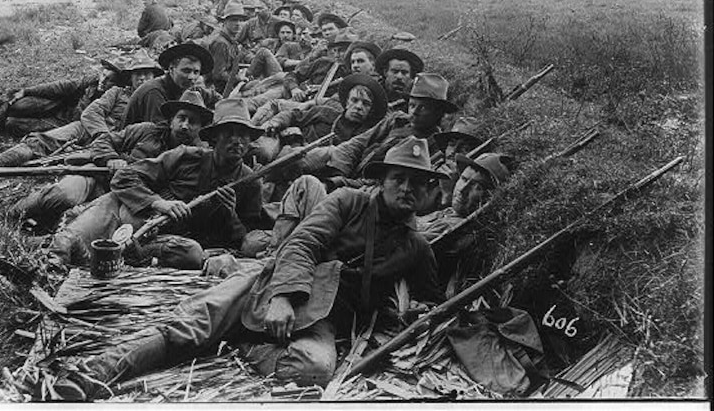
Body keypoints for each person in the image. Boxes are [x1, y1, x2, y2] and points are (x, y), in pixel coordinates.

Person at [49, 137, 442, 400]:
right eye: (399, 178)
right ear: (383, 180)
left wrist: (420, 312)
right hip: (269, 283)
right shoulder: (348, 201)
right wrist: (284, 298)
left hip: (323, 317)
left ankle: (242, 344)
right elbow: (303, 243)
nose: (406, 188)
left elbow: (434, 299)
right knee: (190, 328)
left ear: (427, 193)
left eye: (417, 183)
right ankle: (95, 371)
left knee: (314, 369)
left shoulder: (415, 246)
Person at [47, 98, 268, 271]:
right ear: (215, 137)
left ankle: (125, 254)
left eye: (244, 136)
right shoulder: (186, 156)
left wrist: (231, 215)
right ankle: (53, 253)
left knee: (192, 254)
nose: (237, 141)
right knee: (65, 245)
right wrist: (158, 203)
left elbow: (245, 240)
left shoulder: (249, 182)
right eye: (229, 134)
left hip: (167, 240)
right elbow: (124, 177)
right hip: (129, 214)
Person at [17, 89, 211, 234]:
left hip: (127, 200)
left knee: (89, 225)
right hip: (97, 177)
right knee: (63, 196)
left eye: (192, 121)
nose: (185, 125)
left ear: (200, 128)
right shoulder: (145, 130)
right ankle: (15, 213)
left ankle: (47, 236)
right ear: (171, 120)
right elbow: (103, 140)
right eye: (181, 118)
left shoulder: (196, 159)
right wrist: (112, 158)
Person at [0, 54, 160, 168]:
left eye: (147, 74)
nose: (142, 78)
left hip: (119, 143)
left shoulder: (155, 100)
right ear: (130, 77)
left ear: (154, 77)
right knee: (40, 141)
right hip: (86, 128)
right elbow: (91, 112)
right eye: (138, 74)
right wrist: (104, 137)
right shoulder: (117, 92)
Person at [296, 73, 459, 182]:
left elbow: (395, 182)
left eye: (423, 107)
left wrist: (342, 184)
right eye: (412, 105)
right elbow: (357, 143)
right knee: (297, 161)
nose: (414, 112)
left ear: (438, 112)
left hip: (369, 190)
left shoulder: (434, 146)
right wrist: (339, 173)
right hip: (347, 170)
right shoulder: (397, 120)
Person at [417, 152, 512, 297]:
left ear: (490, 197)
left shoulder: (460, 228)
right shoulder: (450, 212)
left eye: (477, 187)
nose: (462, 189)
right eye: (463, 179)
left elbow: (408, 243)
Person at [263, 73, 387, 145]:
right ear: (347, 102)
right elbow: (293, 115)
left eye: (366, 104)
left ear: (371, 110)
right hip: (290, 143)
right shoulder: (327, 113)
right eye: (354, 101)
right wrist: (276, 123)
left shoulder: (365, 136)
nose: (359, 107)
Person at [122, 43, 217, 126]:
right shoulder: (154, 92)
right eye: (186, 71)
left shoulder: (189, 87)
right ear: (171, 69)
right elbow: (159, 130)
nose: (191, 77)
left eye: (196, 72)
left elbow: (214, 97)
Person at [208, 1, 249, 94]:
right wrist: (238, 78)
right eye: (234, 20)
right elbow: (218, 74)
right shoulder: (221, 43)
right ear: (225, 22)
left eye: (240, 20)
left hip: (230, 85)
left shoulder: (231, 41)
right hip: (222, 90)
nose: (238, 23)